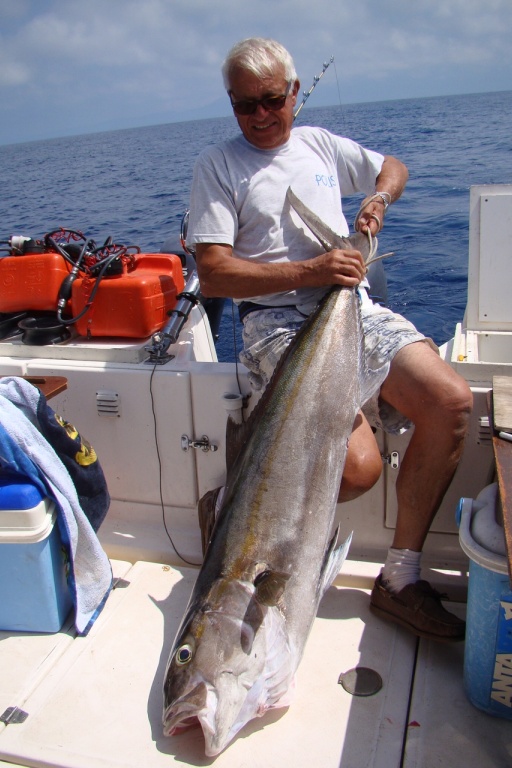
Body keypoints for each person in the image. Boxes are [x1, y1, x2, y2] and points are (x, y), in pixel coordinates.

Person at [187, 37, 472, 641]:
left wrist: (376, 198)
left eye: (271, 101)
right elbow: (213, 272)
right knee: (360, 471)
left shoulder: (318, 144)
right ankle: (234, 504)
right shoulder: (218, 164)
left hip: (349, 305)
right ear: (231, 105)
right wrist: (311, 272)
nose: (260, 117)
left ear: (293, 93)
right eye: (244, 106)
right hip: (275, 322)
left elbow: (393, 166)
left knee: (451, 402)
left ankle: (399, 578)